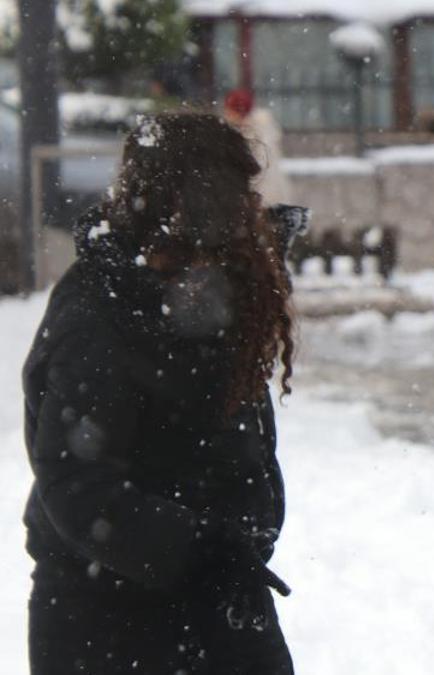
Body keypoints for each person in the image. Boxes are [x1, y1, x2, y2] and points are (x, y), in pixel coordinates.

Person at [22, 113, 296, 674]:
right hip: (105, 621)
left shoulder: (215, 291)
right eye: (229, 194)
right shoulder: (97, 313)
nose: (246, 209)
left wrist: (246, 530)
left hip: (219, 600)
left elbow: (240, 436)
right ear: (183, 203)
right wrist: (196, 551)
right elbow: (77, 482)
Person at [224, 88, 293, 206]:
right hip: (271, 194)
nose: (226, 114)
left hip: (263, 197)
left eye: (230, 111)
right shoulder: (261, 129)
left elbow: (259, 168)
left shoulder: (254, 133)